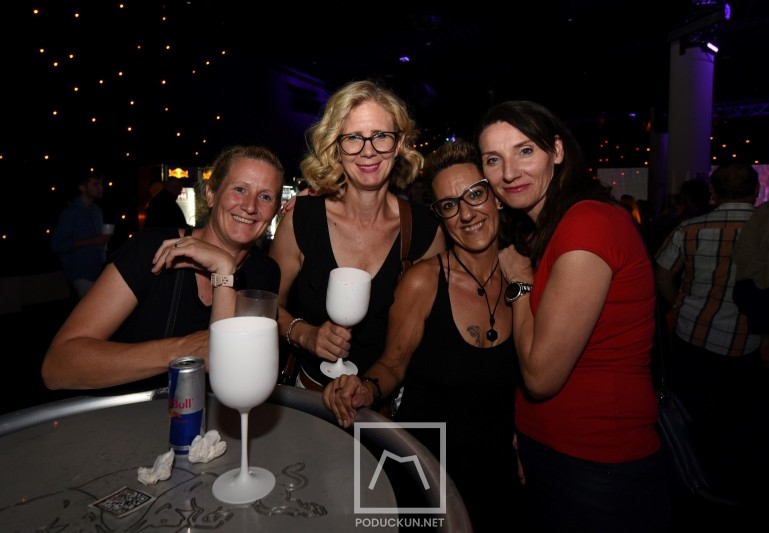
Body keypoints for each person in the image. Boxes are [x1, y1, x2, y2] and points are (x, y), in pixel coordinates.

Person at [476, 100, 671, 532]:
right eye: (493, 159)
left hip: (598, 467)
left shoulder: (588, 223)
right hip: (561, 453)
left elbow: (541, 376)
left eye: (525, 151)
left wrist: (520, 282)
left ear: (558, 151)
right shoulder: (551, 229)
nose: (509, 172)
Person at [322, 140, 523, 531]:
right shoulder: (424, 281)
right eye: (449, 205)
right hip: (427, 473)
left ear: (497, 197)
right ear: (441, 216)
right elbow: (393, 364)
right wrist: (364, 388)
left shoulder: (527, 277)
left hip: (498, 476)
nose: (466, 214)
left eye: (475, 194)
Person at [42, 145, 283, 392]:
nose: (250, 206)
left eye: (265, 197)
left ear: (275, 210)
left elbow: (241, 374)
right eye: (240, 189)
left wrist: (225, 269)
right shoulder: (150, 250)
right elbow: (57, 366)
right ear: (211, 194)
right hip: (133, 413)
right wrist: (184, 350)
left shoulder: (265, 272)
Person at [268, 79, 446, 392]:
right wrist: (305, 334)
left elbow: (429, 338)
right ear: (336, 146)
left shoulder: (425, 231)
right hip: (307, 398)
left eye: (381, 136)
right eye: (353, 138)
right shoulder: (302, 219)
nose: (368, 151)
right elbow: (264, 305)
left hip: (381, 407)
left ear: (399, 143)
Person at [654, 162, 769, 508]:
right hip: (749, 340)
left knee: (694, 414)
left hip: (693, 334)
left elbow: (662, 276)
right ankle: (735, 486)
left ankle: (695, 481)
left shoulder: (689, 228)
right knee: (741, 418)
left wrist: (680, 306)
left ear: (713, 193)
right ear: (756, 191)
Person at [50, 173, 111, 299]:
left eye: (101, 184)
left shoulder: (97, 211)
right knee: (95, 308)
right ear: (82, 187)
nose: (101, 188)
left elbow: (98, 242)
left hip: (98, 271)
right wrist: (92, 241)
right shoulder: (70, 213)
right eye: (96, 184)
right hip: (81, 273)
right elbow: (57, 245)